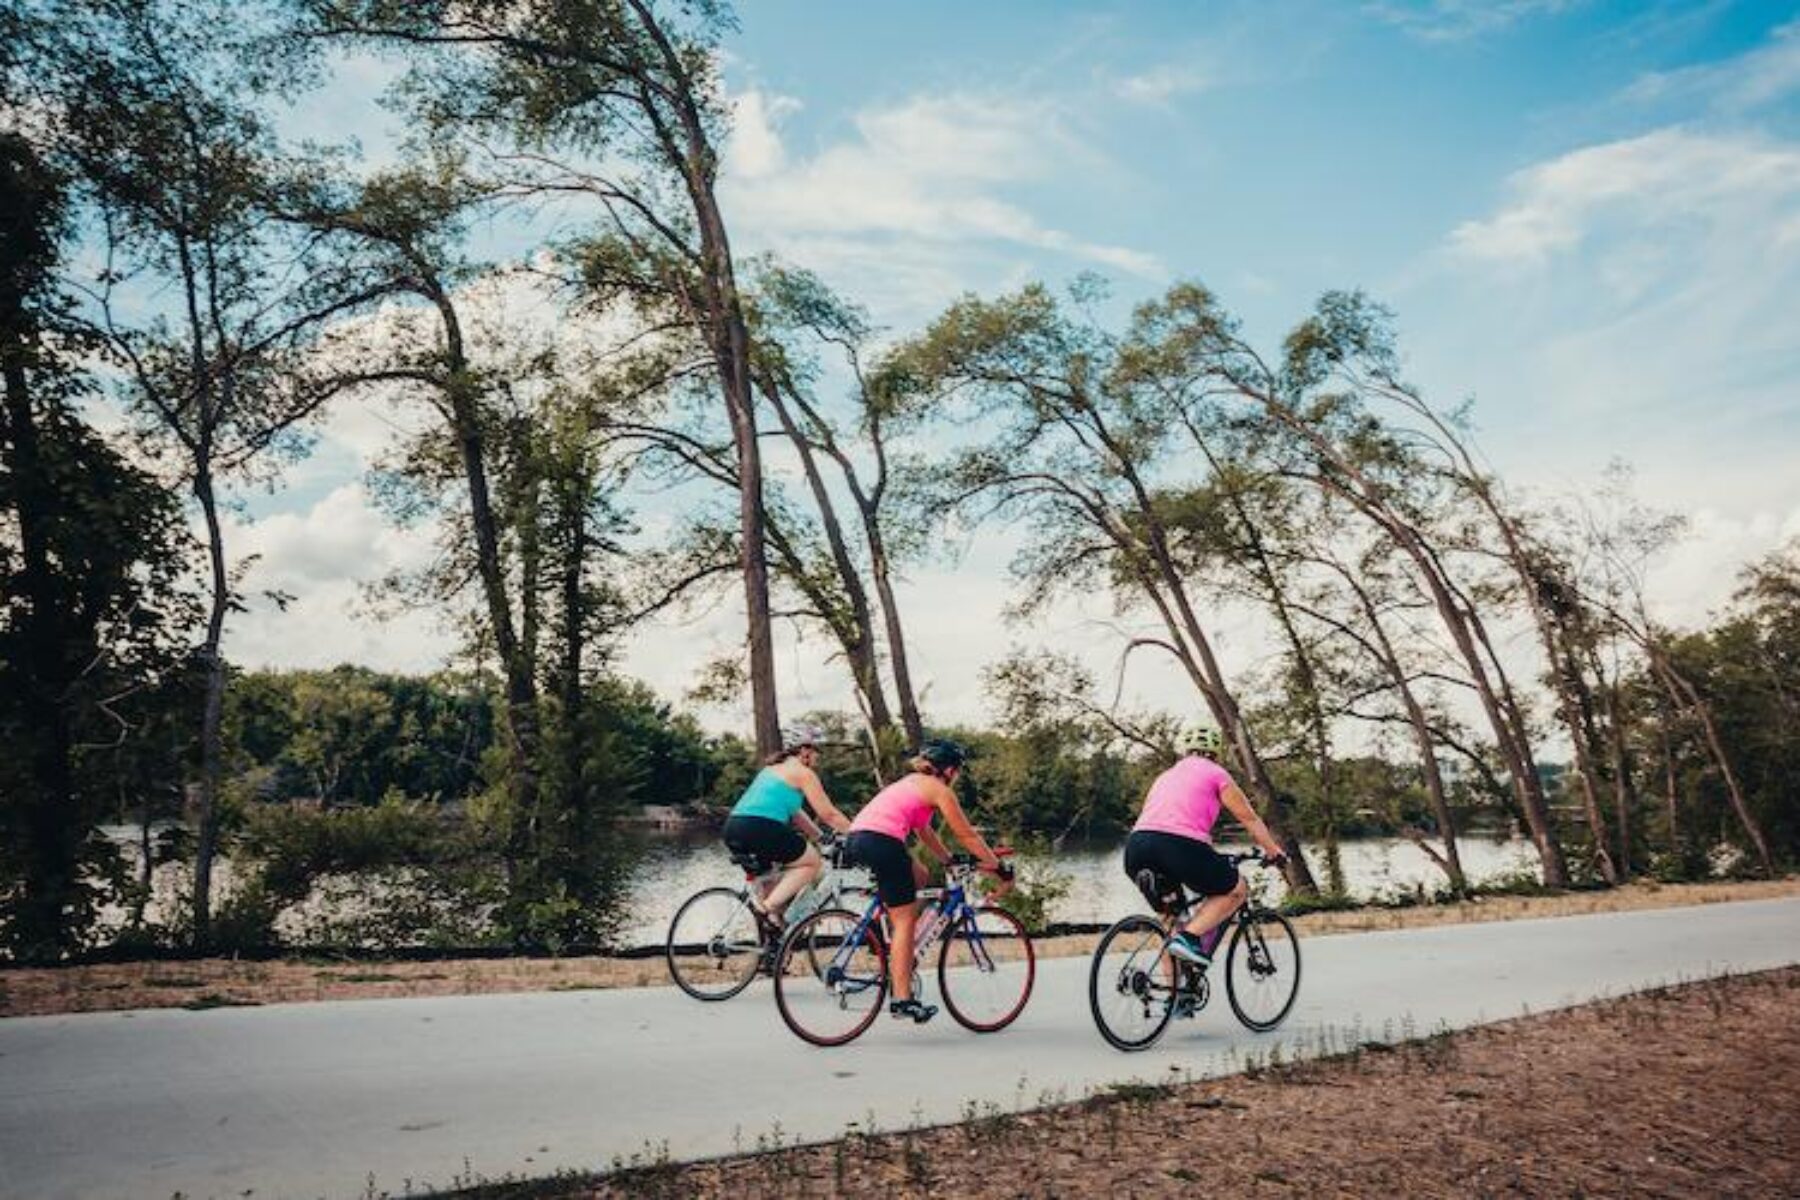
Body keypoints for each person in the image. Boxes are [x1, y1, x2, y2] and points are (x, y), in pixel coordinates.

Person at [845, 738, 1007, 1024]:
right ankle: (903, 999)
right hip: (883, 842)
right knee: (905, 919)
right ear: (949, 770)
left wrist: (946, 861)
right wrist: (998, 867)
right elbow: (967, 835)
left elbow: (925, 833)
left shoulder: (911, 783)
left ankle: (880, 933)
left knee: (918, 873)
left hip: (858, 837)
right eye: (957, 771)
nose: (956, 777)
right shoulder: (939, 790)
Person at [1124, 726, 1288, 968]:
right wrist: (1274, 852)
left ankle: (1176, 999)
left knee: (1170, 921)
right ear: (1215, 752)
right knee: (1237, 889)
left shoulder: (1166, 776)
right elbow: (1249, 818)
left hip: (1136, 847)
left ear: (1187, 751)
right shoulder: (1216, 773)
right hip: (1178, 845)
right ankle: (1190, 938)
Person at [721, 724, 853, 930]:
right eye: (817, 750)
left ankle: (771, 948)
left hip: (734, 827)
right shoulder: (803, 773)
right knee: (812, 863)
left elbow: (796, 813)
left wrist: (819, 837)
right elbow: (829, 813)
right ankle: (765, 909)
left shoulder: (772, 769)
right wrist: (859, 834)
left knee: (774, 888)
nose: (818, 756)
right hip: (761, 827)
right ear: (804, 751)